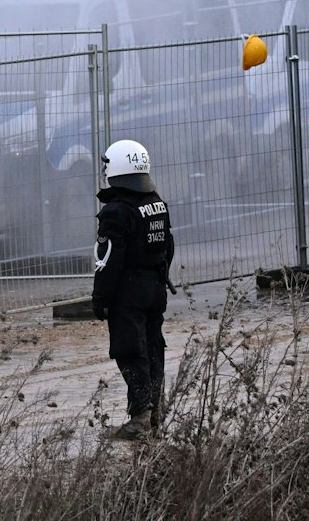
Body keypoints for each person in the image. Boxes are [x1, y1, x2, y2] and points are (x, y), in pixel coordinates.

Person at [93, 139, 175, 441]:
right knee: (153, 347)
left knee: (130, 350)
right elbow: (169, 246)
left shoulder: (117, 211)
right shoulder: (156, 203)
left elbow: (109, 260)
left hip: (128, 292)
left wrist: (100, 298)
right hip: (156, 287)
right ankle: (155, 414)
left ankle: (140, 419)